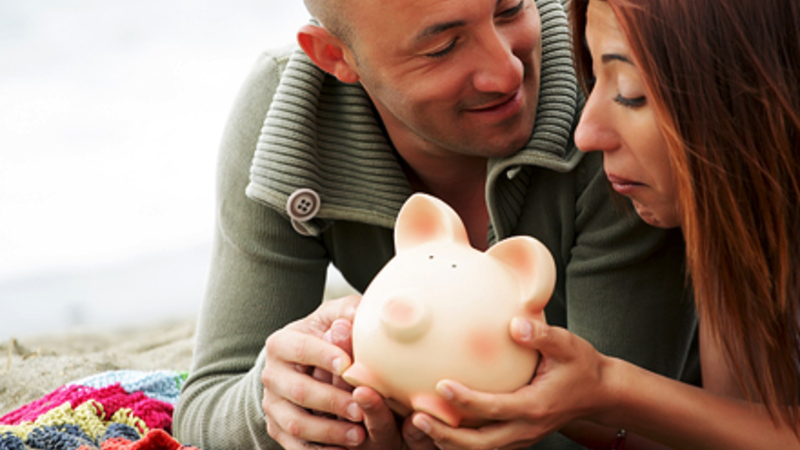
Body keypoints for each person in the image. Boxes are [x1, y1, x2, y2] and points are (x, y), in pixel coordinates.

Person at [172, 0, 701, 448]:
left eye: (510, 9)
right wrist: (279, 398)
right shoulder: (292, 123)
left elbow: (620, 425)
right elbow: (204, 405)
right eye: (442, 48)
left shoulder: (610, 104)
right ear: (335, 56)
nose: (506, 72)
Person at [404, 0, 800, 448]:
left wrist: (610, 386)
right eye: (593, 79)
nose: (586, 133)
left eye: (630, 93)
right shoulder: (733, 234)